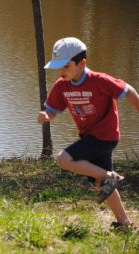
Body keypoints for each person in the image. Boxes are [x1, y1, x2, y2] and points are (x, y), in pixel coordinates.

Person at [37, 37, 139, 228]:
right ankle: (124, 223)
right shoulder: (62, 85)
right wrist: (47, 115)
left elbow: (129, 90)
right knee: (102, 183)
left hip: (105, 136)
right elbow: (53, 109)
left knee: (63, 159)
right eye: (58, 67)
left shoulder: (99, 81)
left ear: (82, 63)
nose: (61, 71)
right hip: (90, 137)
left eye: (65, 66)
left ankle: (111, 176)